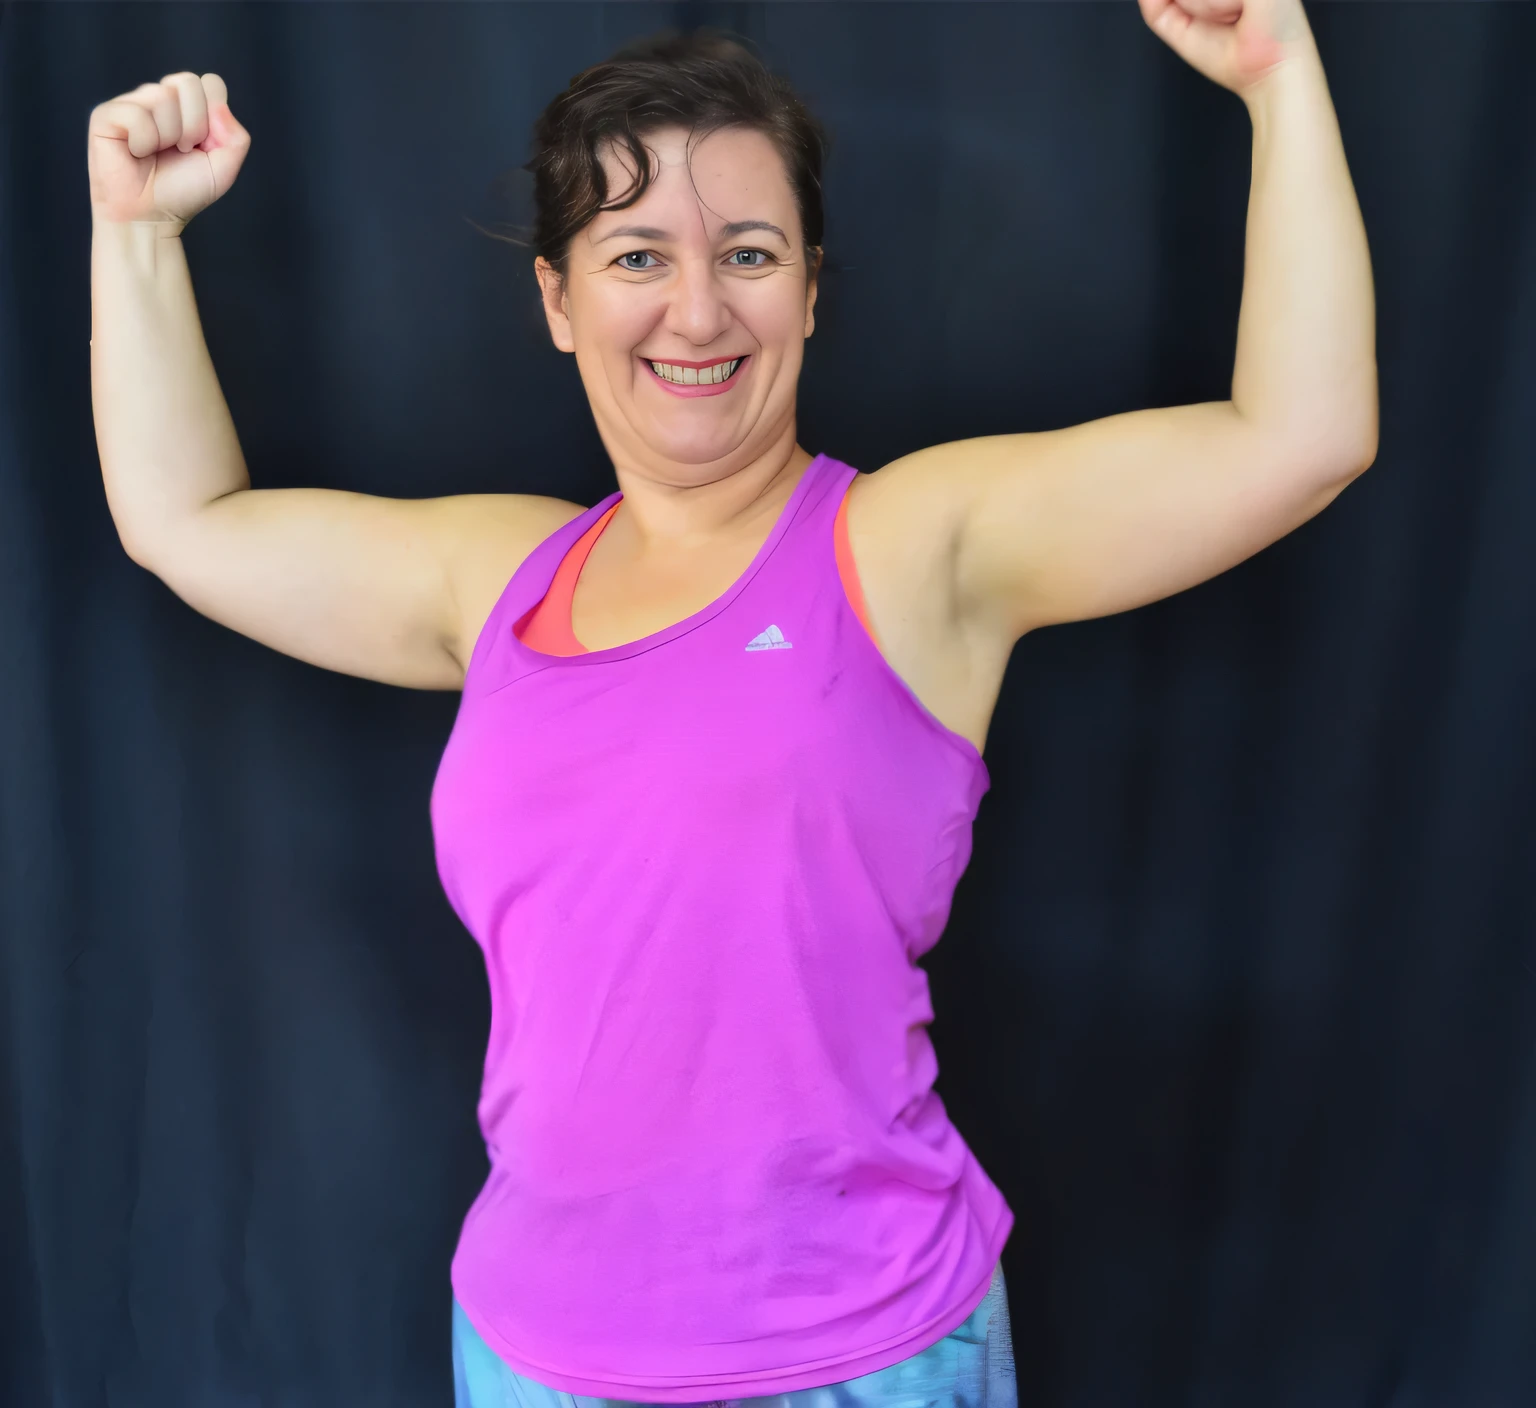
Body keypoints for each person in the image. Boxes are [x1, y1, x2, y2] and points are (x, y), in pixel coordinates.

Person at [85, 0, 1375, 1403]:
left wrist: (1279, 80)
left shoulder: (908, 546)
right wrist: (139, 238)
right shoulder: (498, 579)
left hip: (860, 1354)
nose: (698, 310)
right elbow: (184, 520)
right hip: (532, 1355)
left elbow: (1301, 438)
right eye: (638, 255)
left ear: (809, 291)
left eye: (747, 254)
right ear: (558, 300)